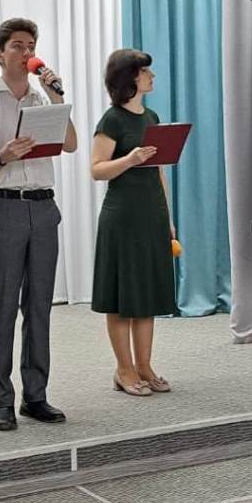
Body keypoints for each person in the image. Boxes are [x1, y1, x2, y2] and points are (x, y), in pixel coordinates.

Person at [0, 18, 78, 431]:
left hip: (43, 209)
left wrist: (56, 97)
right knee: (2, 307)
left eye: (31, 46)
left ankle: (36, 396)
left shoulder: (42, 102)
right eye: (17, 45)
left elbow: (70, 144)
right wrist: (3, 156)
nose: (26, 52)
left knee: (39, 305)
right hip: (5, 209)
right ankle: (1, 400)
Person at [91, 49, 177, 397]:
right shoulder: (112, 120)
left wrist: (168, 218)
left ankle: (144, 366)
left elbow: (159, 172)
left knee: (145, 295)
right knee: (121, 297)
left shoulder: (152, 117)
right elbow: (97, 170)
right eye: (145, 72)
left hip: (151, 213)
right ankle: (123, 369)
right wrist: (129, 159)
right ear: (130, 78)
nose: (152, 76)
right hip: (122, 216)